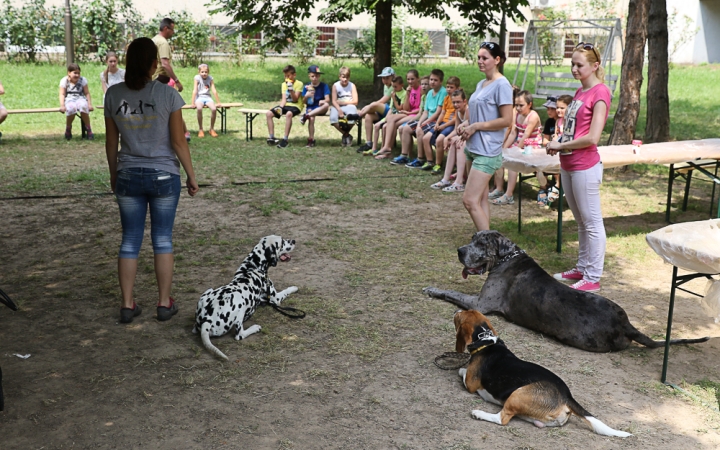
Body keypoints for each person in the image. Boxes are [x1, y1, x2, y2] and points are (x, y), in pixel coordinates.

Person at [104, 37, 199, 324]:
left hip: (128, 175)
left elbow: (111, 142)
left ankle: (127, 304)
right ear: (154, 63)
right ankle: (163, 303)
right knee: (162, 240)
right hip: (164, 176)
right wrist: (192, 176)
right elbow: (179, 141)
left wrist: (113, 173)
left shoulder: (113, 94)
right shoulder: (168, 95)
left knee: (130, 240)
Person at [547, 43, 612, 293]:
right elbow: (575, 131)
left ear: (595, 66)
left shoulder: (600, 92)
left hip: (585, 166)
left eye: (579, 65)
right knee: (581, 221)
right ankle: (583, 267)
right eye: (572, 64)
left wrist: (562, 145)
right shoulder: (579, 91)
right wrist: (560, 143)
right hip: (569, 164)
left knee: (592, 222)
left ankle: (593, 278)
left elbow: (592, 138)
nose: (574, 69)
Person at [460, 42, 513, 231]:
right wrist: (466, 125)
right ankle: (485, 241)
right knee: (481, 198)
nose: (480, 61)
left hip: (487, 151)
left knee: (469, 200)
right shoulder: (481, 83)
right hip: (472, 147)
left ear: (497, 60)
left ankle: (489, 244)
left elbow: (507, 120)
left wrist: (476, 126)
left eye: (485, 58)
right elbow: (479, 115)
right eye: (478, 58)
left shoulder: (502, 85)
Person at [492, 90, 543, 206]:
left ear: (529, 104)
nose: (518, 108)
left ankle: (509, 195)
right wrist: (504, 148)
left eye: (521, 105)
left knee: (513, 164)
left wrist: (515, 150)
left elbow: (526, 135)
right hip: (520, 145)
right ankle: (499, 188)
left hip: (532, 146)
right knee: (499, 156)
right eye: (516, 105)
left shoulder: (533, 116)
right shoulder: (517, 114)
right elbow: (513, 133)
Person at [152, 17, 191, 143]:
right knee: (171, 107)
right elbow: (165, 64)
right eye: (172, 29)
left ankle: (181, 133)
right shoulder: (162, 42)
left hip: (153, 79)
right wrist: (177, 80)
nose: (173, 32)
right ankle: (180, 134)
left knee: (164, 107)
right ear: (165, 28)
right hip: (159, 80)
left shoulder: (154, 40)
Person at [402, 69, 447, 169]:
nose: (432, 82)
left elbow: (438, 112)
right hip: (428, 120)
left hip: (436, 120)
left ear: (440, 81)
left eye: (435, 80)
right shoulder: (430, 92)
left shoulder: (443, 92)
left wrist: (423, 124)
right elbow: (425, 112)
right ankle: (404, 155)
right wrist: (419, 123)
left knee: (420, 130)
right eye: (431, 79)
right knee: (406, 128)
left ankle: (420, 159)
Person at [374, 70, 423, 160]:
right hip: (407, 113)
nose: (410, 81)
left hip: (414, 115)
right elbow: (406, 107)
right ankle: (387, 151)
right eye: (408, 79)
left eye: (412, 79)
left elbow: (421, 109)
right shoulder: (409, 90)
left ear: (418, 78)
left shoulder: (421, 90)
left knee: (391, 120)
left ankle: (388, 147)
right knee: (387, 125)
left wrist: (408, 112)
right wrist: (408, 94)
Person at [430, 88, 469, 192]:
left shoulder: (468, 110)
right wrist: (447, 138)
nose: (456, 105)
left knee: (459, 144)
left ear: (465, 101)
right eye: (454, 102)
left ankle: (459, 182)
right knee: (452, 142)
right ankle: (446, 179)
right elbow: (457, 129)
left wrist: (458, 138)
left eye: (458, 102)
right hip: (463, 137)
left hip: (471, 138)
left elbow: (470, 128)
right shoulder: (458, 112)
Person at [353, 66, 395, 153]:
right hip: (385, 109)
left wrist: (371, 106)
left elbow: (382, 101)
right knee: (368, 116)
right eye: (383, 78)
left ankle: (359, 115)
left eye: (387, 78)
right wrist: (371, 107)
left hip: (393, 111)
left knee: (374, 104)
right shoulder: (386, 86)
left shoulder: (393, 87)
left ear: (393, 77)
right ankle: (369, 143)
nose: (385, 80)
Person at [423, 76, 460, 174]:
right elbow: (442, 113)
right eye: (447, 87)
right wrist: (438, 123)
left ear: (457, 88)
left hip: (451, 125)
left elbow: (457, 118)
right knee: (426, 138)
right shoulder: (446, 98)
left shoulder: (457, 100)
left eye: (451, 87)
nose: (448, 89)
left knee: (440, 140)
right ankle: (429, 161)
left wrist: (444, 126)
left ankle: (438, 164)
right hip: (442, 123)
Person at [361, 75, 406, 156]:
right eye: (393, 87)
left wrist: (394, 98)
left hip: (399, 115)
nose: (394, 89)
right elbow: (391, 109)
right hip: (391, 115)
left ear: (401, 85)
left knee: (385, 126)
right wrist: (385, 119)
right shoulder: (393, 92)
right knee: (377, 126)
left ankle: (383, 149)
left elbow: (399, 108)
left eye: (395, 87)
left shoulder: (404, 94)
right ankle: (374, 149)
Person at [266, 64, 304, 148]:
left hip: (296, 106)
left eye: (288, 76)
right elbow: (284, 99)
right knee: (269, 113)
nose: (287, 78)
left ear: (294, 75)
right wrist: (280, 107)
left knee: (289, 114)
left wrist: (291, 89)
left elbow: (295, 99)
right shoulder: (284, 84)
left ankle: (285, 139)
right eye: (285, 76)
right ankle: (272, 137)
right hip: (286, 105)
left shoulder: (299, 84)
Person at [59, 63, 94, 140]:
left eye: (78, 73)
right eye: (75, 73)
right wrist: (62, 105)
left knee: (83, 106)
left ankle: (88, 129)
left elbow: (87, 93)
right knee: (71, 108)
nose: (77, 75)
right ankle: (68, 128)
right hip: (69, 99)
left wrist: (89, 104)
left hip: (80, 98)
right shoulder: (64, 81)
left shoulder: (83, 80)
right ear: (69, 73)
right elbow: (62, 94)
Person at [300, 65, 331, 148]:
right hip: (311, 107)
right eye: (313, 76)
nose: (315, 78)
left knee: (326, 105)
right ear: (309, 76)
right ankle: (311, 139)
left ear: (319, 76)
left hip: (320, 108)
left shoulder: (324, 86)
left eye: (317, 76)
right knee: (312, 118)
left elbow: (328, 99)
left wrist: (323, 101)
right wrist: (306, 96)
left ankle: (306, 116)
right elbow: (304, 102)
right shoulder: (307, 87)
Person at [329, 66, 359, 147]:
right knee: (333, 118)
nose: (345, 79)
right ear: (339, 77)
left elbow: (355, 101)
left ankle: (345, 136)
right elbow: (334, 101)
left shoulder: (352, 86)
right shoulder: (335, 86)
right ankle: (347, 135)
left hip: (350, 105)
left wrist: (343, 102)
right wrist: (339, 110)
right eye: (343, 77)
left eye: (347, 77)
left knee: (352, 118)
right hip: (337, 106)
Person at [192, 64, 222, 138]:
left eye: (206, 72)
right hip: (199, 98)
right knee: (199, 108)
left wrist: (218, 102)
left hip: (208, 97)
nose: (204, 73)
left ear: (208, 72)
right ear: (199, 72)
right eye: (202, 72)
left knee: (214, 109)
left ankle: (211, 129)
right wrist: (192, 103)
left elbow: (214, 90)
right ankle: (201, 129)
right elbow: (195, 90)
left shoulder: (210, 78)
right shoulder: (197, 78)